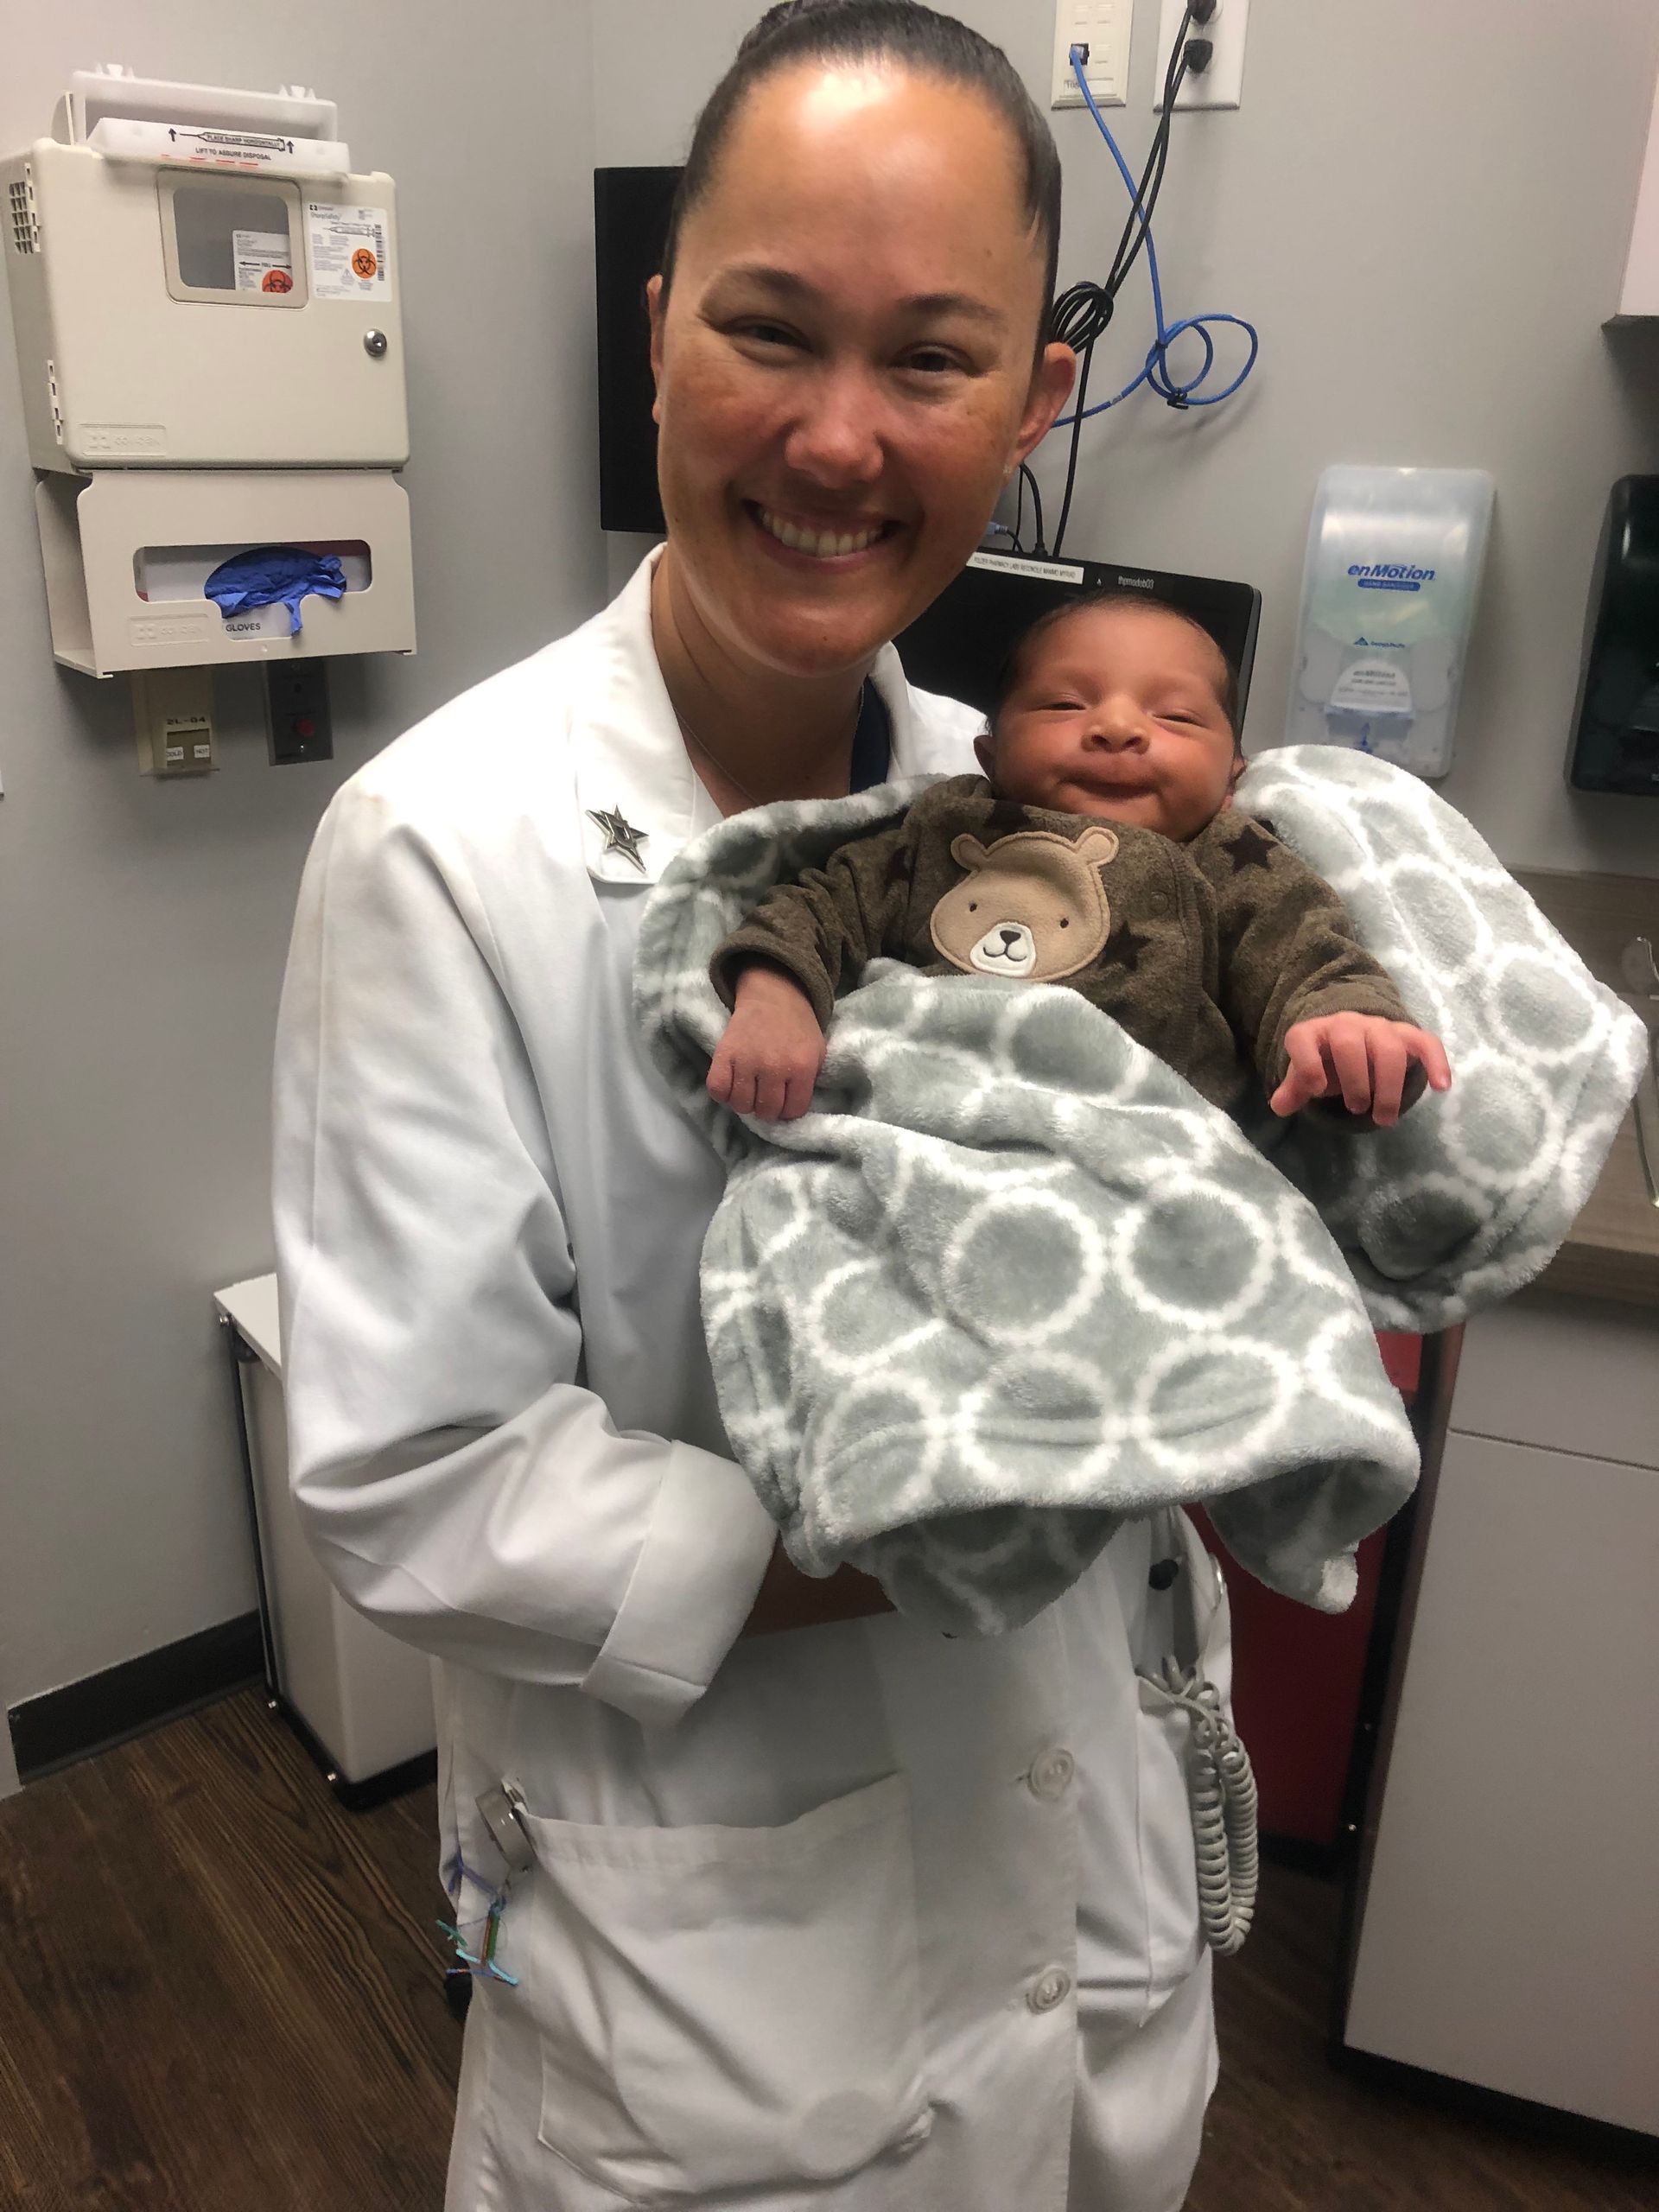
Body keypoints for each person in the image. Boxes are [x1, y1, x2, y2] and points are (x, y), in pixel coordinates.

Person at [273, 5, 1235, 2206]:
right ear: (657, 333)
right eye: (768, 330)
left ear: (1034, 402)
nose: (835, 437)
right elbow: (419, 1475)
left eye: (932, 359)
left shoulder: (1033, 818)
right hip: (724, 1989)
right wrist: (968, 1500)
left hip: (1086, 1897)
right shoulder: (446, 847)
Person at [707, 590, 1452, 1125]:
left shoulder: (1229, 858)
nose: (1119, 727)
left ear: (1233, 780)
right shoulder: (945, 829)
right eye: (1066, 705)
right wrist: (777, 997)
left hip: (1143, 1154)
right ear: (990, 757)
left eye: (1176, 716)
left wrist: (1344, 1030)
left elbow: (1305, 956)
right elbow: (821, 904)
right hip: (932, 1126)